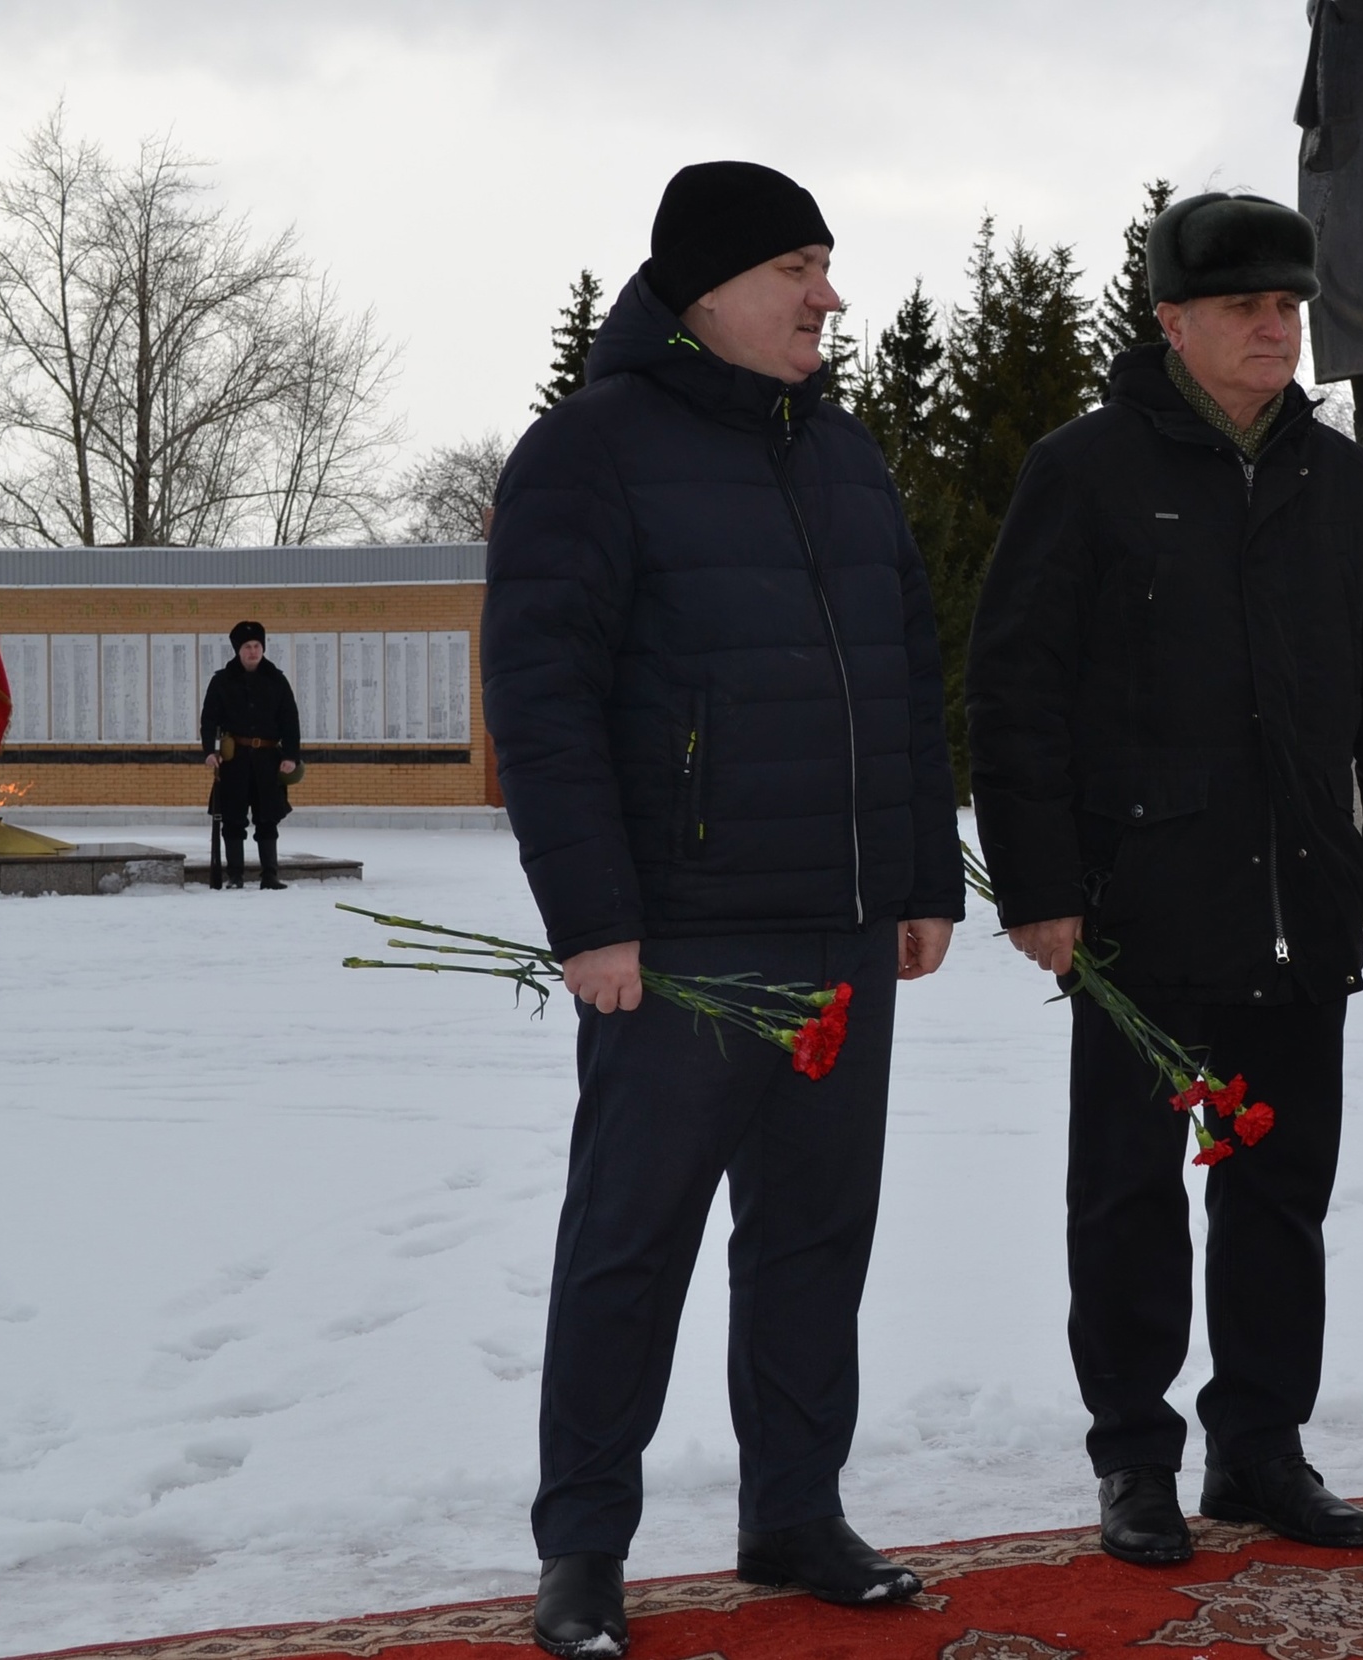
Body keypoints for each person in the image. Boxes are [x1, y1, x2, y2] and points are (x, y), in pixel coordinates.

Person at [484, 161, 963, 1657]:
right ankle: (584, 1552)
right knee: (631, 1246)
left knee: (818, 1240)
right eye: (797, 269)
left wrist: (920, 874)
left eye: (828, 266)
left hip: (839, 932)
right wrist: (593, 918)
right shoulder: (589, 454)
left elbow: (905, 678)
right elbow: (543, 702)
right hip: (680, 941)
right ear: (705, 289)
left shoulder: (846, 457)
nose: (829, 296)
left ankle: (795, 1512)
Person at [967, 191, 1363, 1568]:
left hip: (1303, 897)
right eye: (1244, 305)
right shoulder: (1087, 470)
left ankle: (1260, 1449)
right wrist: (1042, 889)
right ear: (1170, 320)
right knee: (1128, 1195)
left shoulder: (1339, 477)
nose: (1274, 327)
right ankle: (1136, 1460)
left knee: (1278, 1189)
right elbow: (1017, 696)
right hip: (1139, 907)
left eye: (1289, 305)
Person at [200, 621, 301, 890]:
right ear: (238, 650)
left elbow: (290, 720)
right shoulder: (221, 681)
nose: (253, 651)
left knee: (268, 817)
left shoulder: (276, 680)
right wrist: (209, 751)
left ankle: (270, 875)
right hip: (234, 761)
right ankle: (235, 876)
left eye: (257, 646)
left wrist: (291, 755)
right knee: (232, 819)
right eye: (247, 647)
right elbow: (208, 718)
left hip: (268, 759)